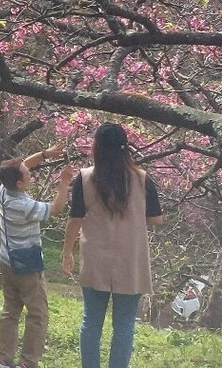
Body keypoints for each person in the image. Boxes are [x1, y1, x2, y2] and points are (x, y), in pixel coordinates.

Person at [61, 123, 164, 368]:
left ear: (96, 147)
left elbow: (75, 219)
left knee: (91, 322)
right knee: (125, 326)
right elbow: (156, 219)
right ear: (125, 149)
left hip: (96, 259)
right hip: (131, 260)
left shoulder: (85, 178)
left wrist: (67, 252)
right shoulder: (142, 179)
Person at [0, 142, 73, 368]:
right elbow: (56, 208)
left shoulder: (3, 191)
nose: (31, 174)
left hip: (7, 260)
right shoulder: (24, 205)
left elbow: (24, 164)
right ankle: (28, 362)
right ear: (20, 183)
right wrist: (64, 182)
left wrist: (46, 154)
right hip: (27, 265)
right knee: (38, 313)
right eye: (28, 175)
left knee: (10, 310)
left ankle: (3, 360)